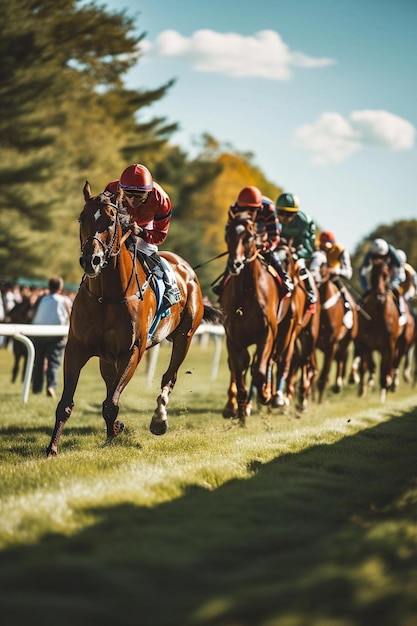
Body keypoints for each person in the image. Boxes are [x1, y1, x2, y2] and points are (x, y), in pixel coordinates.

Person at [105, 163, 180, 308]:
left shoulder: (161, 200)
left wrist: (142, 232)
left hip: (145, 225)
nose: (133, 200)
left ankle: (170, 285)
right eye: (129, 195)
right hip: (120, 222)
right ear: (121, 190)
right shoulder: (111, 190)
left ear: (149, 192)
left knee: (147, 250)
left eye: (140, 195)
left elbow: (159, 236)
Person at [212, 185, 294, 297]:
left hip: (263, 235)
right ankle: (222, 285)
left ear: (258, 208)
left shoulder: (268, 209)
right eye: (243, 209)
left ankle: (284, 278)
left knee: (271, 255)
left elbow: (274, 236)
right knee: (234, 257)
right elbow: (229, 232)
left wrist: (264, 246)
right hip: (245, 237)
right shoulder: (234, 209)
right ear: (239, 206)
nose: (247, 213)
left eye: (251, 210)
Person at [31, 276, 72, 398]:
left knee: (38, 362)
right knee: (54, 362)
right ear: (60, 288)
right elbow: (71, 316)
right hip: (56, 335)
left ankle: (36, 388)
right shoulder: (64, 300)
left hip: (38, 333)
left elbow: (32, 313)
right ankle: (51, 386)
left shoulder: (41, 299)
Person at [275, 192, 317, 313]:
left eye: (289, 214)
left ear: (295, 213)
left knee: (301, 266)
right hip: (277, 247)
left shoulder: (305, 222)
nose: (284, 217)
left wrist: (295, 253)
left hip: (297, 250)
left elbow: (309, 250)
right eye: (281, 213)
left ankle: (310, 295)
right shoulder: (272, 217)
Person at [359, 238, 407, 324]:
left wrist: (393, 283)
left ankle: (401, 311)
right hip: (377, 280)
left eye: (381, 257)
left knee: (397, 291)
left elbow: (400, 274)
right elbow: (363, 274)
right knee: (365, 296)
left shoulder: (393, 256)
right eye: (376, 256)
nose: (378, 259)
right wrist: (366, 288)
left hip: (392, 276)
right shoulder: (369, 255)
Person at [312, 230, 354, 327]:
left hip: (334, 278)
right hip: (319, 277)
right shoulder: (317, 248)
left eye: (326, 246)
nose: (324, 248)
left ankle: (348, 311)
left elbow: (349, 273)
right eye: (322, 245)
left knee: (343, 291)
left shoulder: (340, 250)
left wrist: (336, 271)